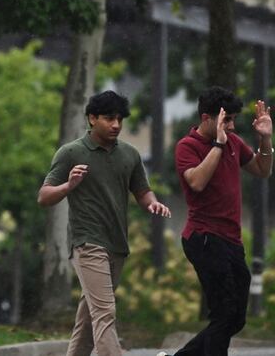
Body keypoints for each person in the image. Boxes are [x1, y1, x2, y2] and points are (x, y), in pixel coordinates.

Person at [37, 91, 171, 356]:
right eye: (110, 118)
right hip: (87, 242)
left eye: (120, 119)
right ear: (92, 118)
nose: (116, 125)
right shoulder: (71, 152)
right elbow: (44, 196)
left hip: (117, 244)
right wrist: (69, 185)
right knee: (105, 312)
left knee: (89, 318)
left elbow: (142, 191)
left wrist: (152, 203)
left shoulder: (130, 155)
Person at [161, 86, 272, 356]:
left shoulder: (234, 142)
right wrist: (218, 144)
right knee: (223, 313)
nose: (231, 126)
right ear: (206, 118)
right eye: (226, 120)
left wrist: (265, 140)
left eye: (233, 119)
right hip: (204, 238)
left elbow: (261, 170)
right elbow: (197, 182)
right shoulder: (188, 146)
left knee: (236, 318)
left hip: (231, 241)